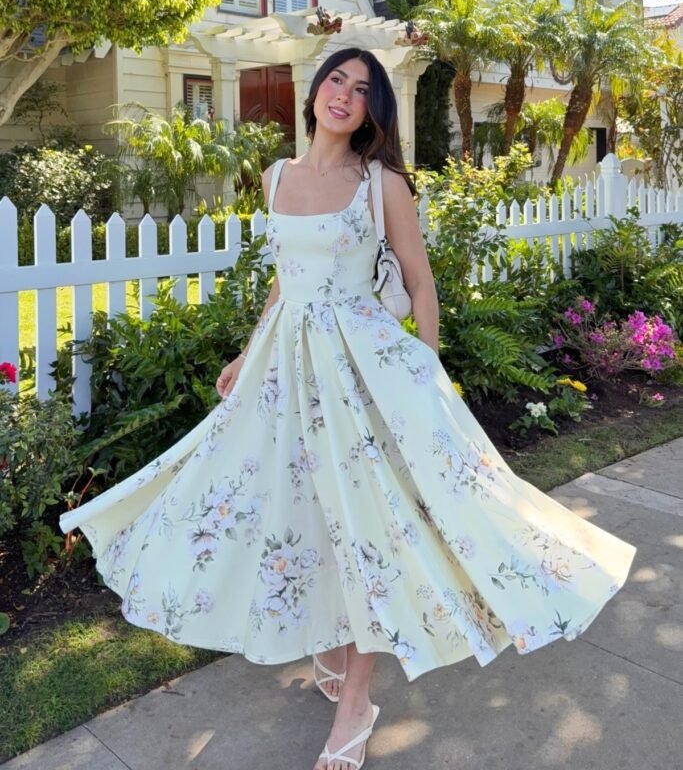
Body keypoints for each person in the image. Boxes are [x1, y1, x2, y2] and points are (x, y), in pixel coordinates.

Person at [60, 47, 636, 770]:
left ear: (371, 111)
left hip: (364, 369)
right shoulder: (275, 177)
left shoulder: (380, 183)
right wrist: (246, 352)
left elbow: (419, 285)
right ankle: (335, 651)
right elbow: (285, 281)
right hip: (286, 370)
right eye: (336, 79)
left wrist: (425, 371)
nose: (344, 95)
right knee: (301, 508)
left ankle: (357, 702)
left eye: (361, 89)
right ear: (314, 92)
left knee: (370, 527)